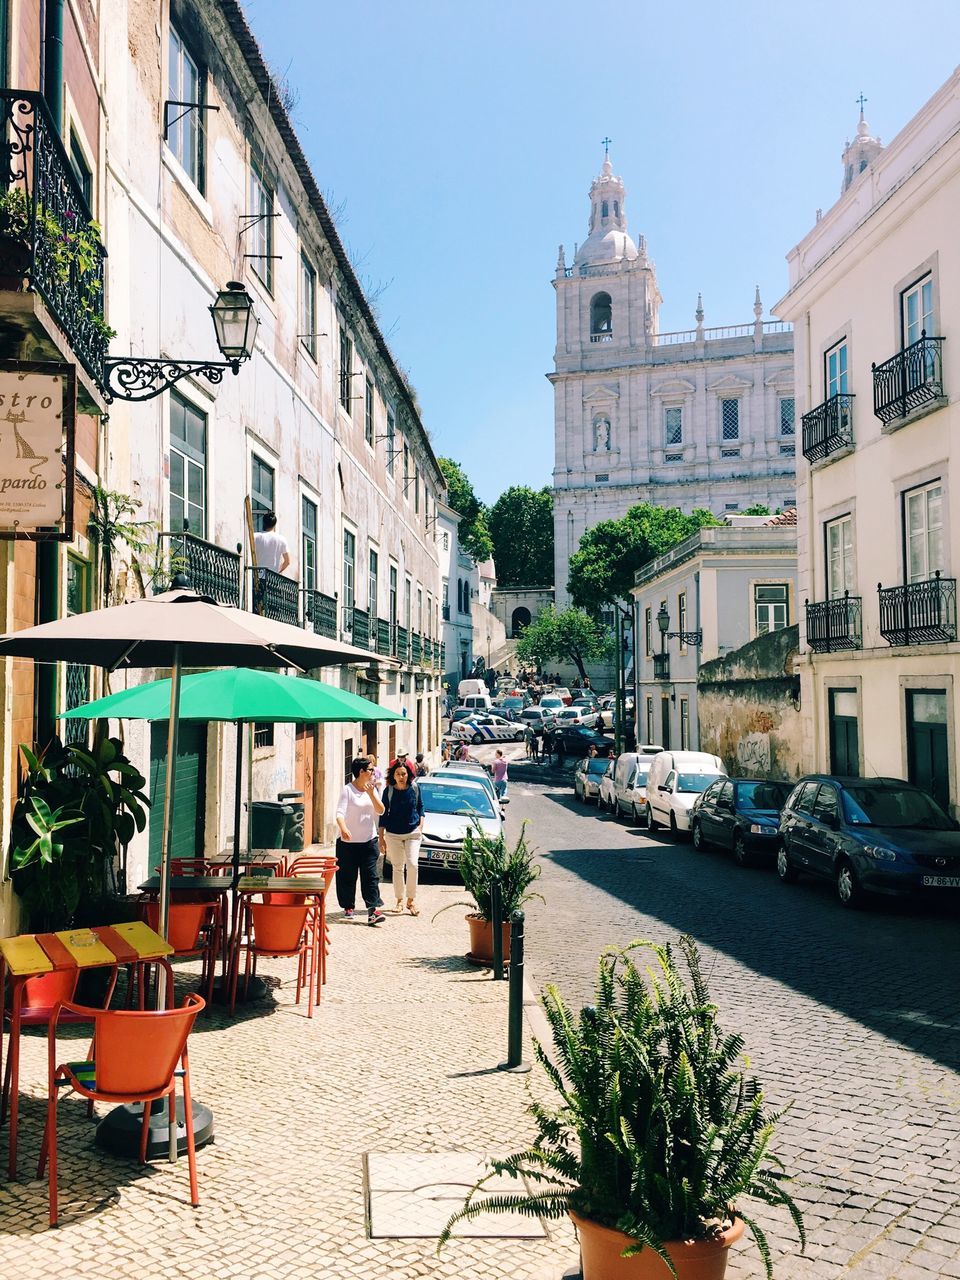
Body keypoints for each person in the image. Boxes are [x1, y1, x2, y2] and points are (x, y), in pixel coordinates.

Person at [335, 757, 386, 925]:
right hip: (348, 844)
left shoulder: (372, 789)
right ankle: (348, 906)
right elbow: (340, 813)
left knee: (370, 877)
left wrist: (372, 794)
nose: (373, 772)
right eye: (370, 770)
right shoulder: (347, 790)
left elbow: (381, 810)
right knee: (347, 877)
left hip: (369, 841)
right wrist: (343, 828)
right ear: (361, 772)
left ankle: (373, 910)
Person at [378, 760, 424, 915]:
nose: (401, 776)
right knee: (397, 867)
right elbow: (383, 814)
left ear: (408, 774)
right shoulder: (388, 791)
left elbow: (421, 807)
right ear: (393, 776)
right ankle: (399, 901)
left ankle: (411, 900)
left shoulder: (415, 788)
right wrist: (381, 837)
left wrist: (420, 825)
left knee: (412, 865)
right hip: (393, 834)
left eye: (404, 773)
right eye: (398, 774)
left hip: (412, 832)